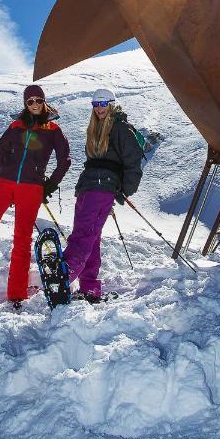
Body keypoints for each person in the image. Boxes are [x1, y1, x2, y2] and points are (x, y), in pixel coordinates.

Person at [0, 84, 70, 307]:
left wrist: (48, 186)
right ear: (25, 105)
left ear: (44, 102)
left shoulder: (53, 129)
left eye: (39, 100)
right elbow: (1, 150)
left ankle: (17, 293)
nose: (35, 105)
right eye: (30, 102)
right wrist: (3, 171)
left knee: (22, 239)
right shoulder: (16, 126)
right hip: (4, 184)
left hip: (31, 189)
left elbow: (64, 160)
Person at [63, 87, 143, 302]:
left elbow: (133, 161)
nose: (99, 108)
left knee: (84, 233)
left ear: (112, 104)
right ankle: (89, 286)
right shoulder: (96, 128)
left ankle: (63, 274)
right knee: (92, 237)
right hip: (89, 186)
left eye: (103, 103)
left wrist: (124, 190)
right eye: (95, 104)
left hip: (102, 186)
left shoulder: (121, 128)